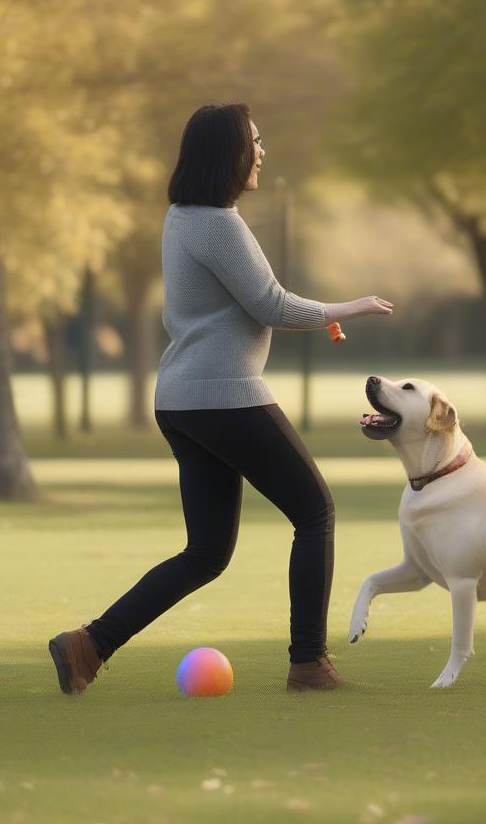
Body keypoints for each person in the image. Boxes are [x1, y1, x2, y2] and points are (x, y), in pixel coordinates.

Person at [48, 102, 393, 695]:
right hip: (223, 396)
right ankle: (309, 663)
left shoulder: (182, 216)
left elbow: (255, 302)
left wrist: (320, 316)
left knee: (207, 552)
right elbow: (272, 305)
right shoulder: (217, 222)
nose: (261, 151)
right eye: (253, 141)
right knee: (315, 512)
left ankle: (89, 644)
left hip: (183, 399)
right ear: (227, 153)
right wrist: (346, 307)